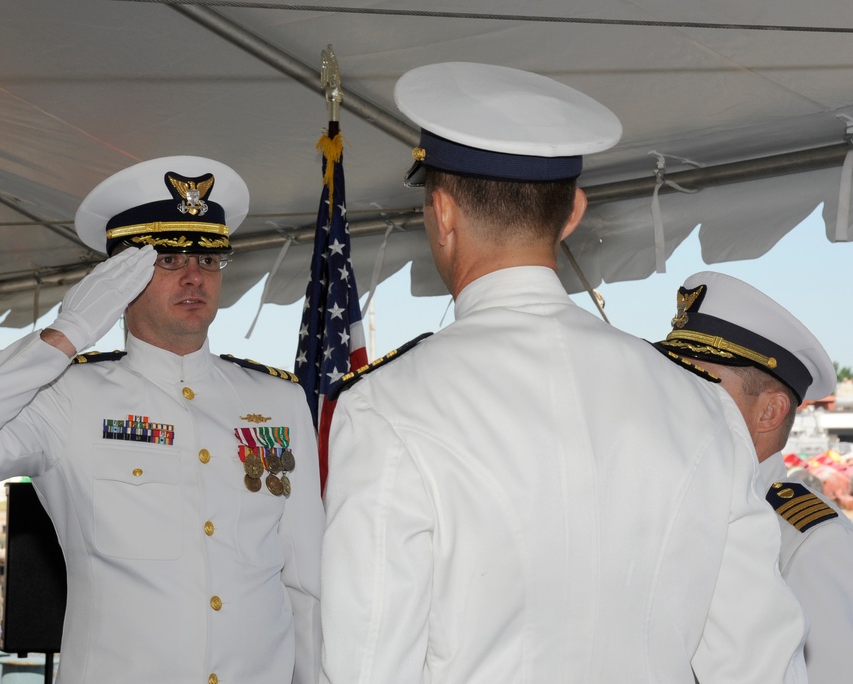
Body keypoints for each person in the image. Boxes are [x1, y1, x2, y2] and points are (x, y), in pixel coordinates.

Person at [318, 62, 808, 684]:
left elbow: (367, 668)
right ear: (573, 212)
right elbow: (760, 663)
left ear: (441, 212)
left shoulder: (387, 406)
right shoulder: (703, 407)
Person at [0, 156, 324, 684]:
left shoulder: (277, 401)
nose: (195, 275)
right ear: (119, 281)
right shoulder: (69, 397)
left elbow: (306, 584)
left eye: (210, 260)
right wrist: (69, 331)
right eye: (168, 261)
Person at [655, 270, 853, 683]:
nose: (675, 394)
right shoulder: (675, 499)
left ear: (769, 412)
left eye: (701, 382)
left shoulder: (808, 541)